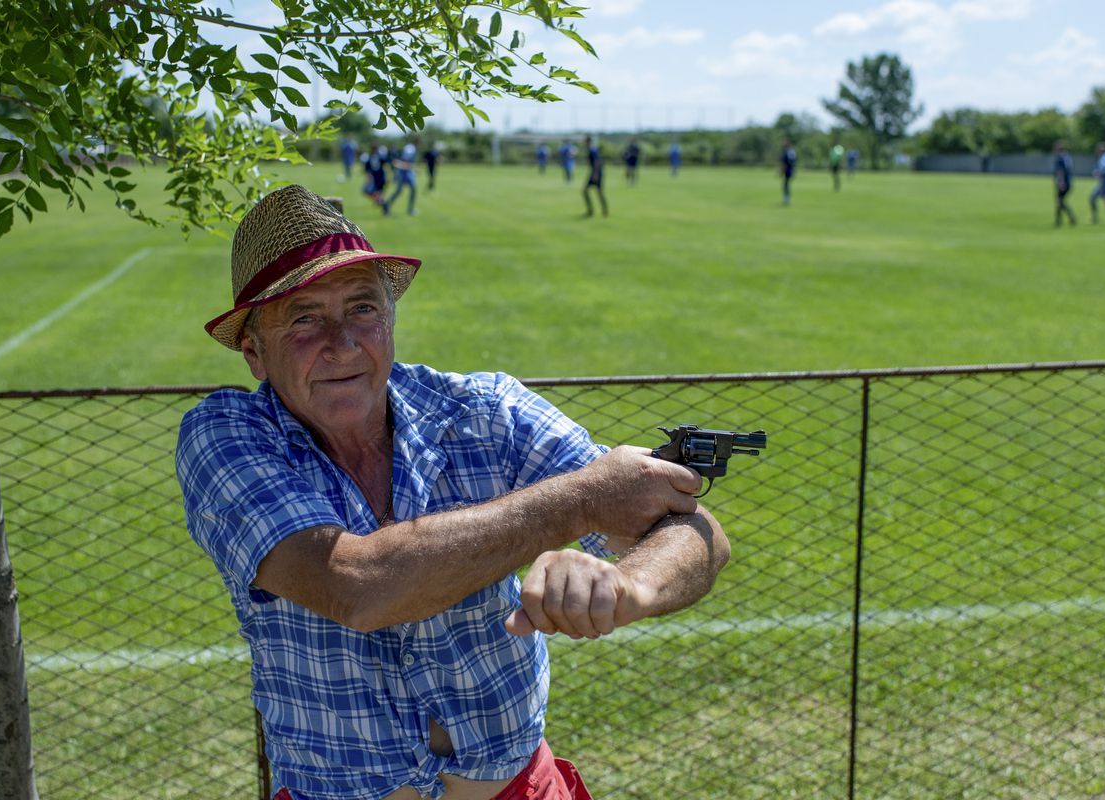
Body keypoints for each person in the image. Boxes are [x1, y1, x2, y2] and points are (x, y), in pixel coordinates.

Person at [177, 185, 729, 800]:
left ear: (389, 320)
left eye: (362, 309)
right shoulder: (228, 436)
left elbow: (693, 529)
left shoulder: (484, 409)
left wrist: (633, 585)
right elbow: (356, 586)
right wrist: (580, 502)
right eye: (304, 318)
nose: (343, 342)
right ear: (254, 352)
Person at [385, 140, 418, 216]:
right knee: (399, 192)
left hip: (408, 174)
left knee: (412, 190)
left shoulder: (410, 150)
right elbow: (401, 162)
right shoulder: (409, 150)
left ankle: (410, 209)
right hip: (403, 174)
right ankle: (387, 205)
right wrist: (409, 166)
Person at [1052, 140, 1077, 227]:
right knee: (1060, 201)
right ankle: (1059, 221)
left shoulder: (1060, 158)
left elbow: (1060, 171)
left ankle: (1071, 218)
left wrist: (1061, 182)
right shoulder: (1067, 157)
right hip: (1069, 182)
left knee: (1060, 201)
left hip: (1063, 183)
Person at [582, 135, 607, 217]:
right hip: (595, 173)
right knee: (586, 191)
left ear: (588, 142)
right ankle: (592, 210)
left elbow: (597, 162)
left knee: (597, 192)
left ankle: (602, 210)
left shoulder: (593, 150)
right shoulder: (591, 150)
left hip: (596, 173)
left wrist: (595, 174)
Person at [363, 142, 389, 208]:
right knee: (378, 193)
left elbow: (367, 169)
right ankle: (380, 202)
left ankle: (381, 203)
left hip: (377, 178)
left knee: (370, 192)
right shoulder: (379, 157)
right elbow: (386, 165)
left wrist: (368, 177)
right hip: (380, 178)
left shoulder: (370, 157)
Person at [779, 138, 796, 206]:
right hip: (791, 170)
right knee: (786, 184)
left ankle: (786, 199)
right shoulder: (792, 151)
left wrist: (781, 171)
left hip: (787, 170)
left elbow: (785, 163)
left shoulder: (786, 152)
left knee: (785, 185)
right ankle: (787, 198)